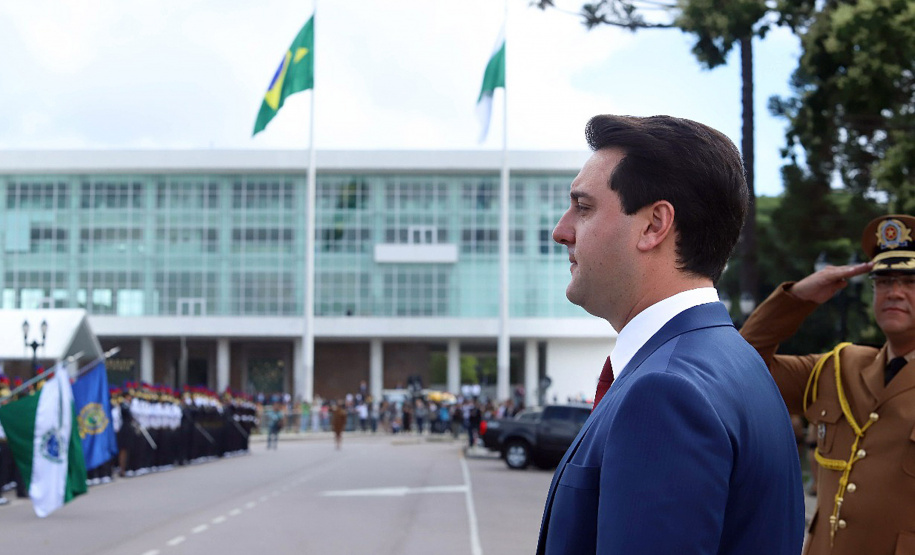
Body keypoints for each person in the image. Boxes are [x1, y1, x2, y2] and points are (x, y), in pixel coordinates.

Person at [536, 114, 804, 554]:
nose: (561, 231)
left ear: (655, 225)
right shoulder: (733, 359)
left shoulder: (665, 392)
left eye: (583, 207)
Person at [740, 214, 915, 555]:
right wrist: (797, 299)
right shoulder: (838, 367)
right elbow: (743, 366)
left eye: (909, 281)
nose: (894, 292)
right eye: (883, 281)